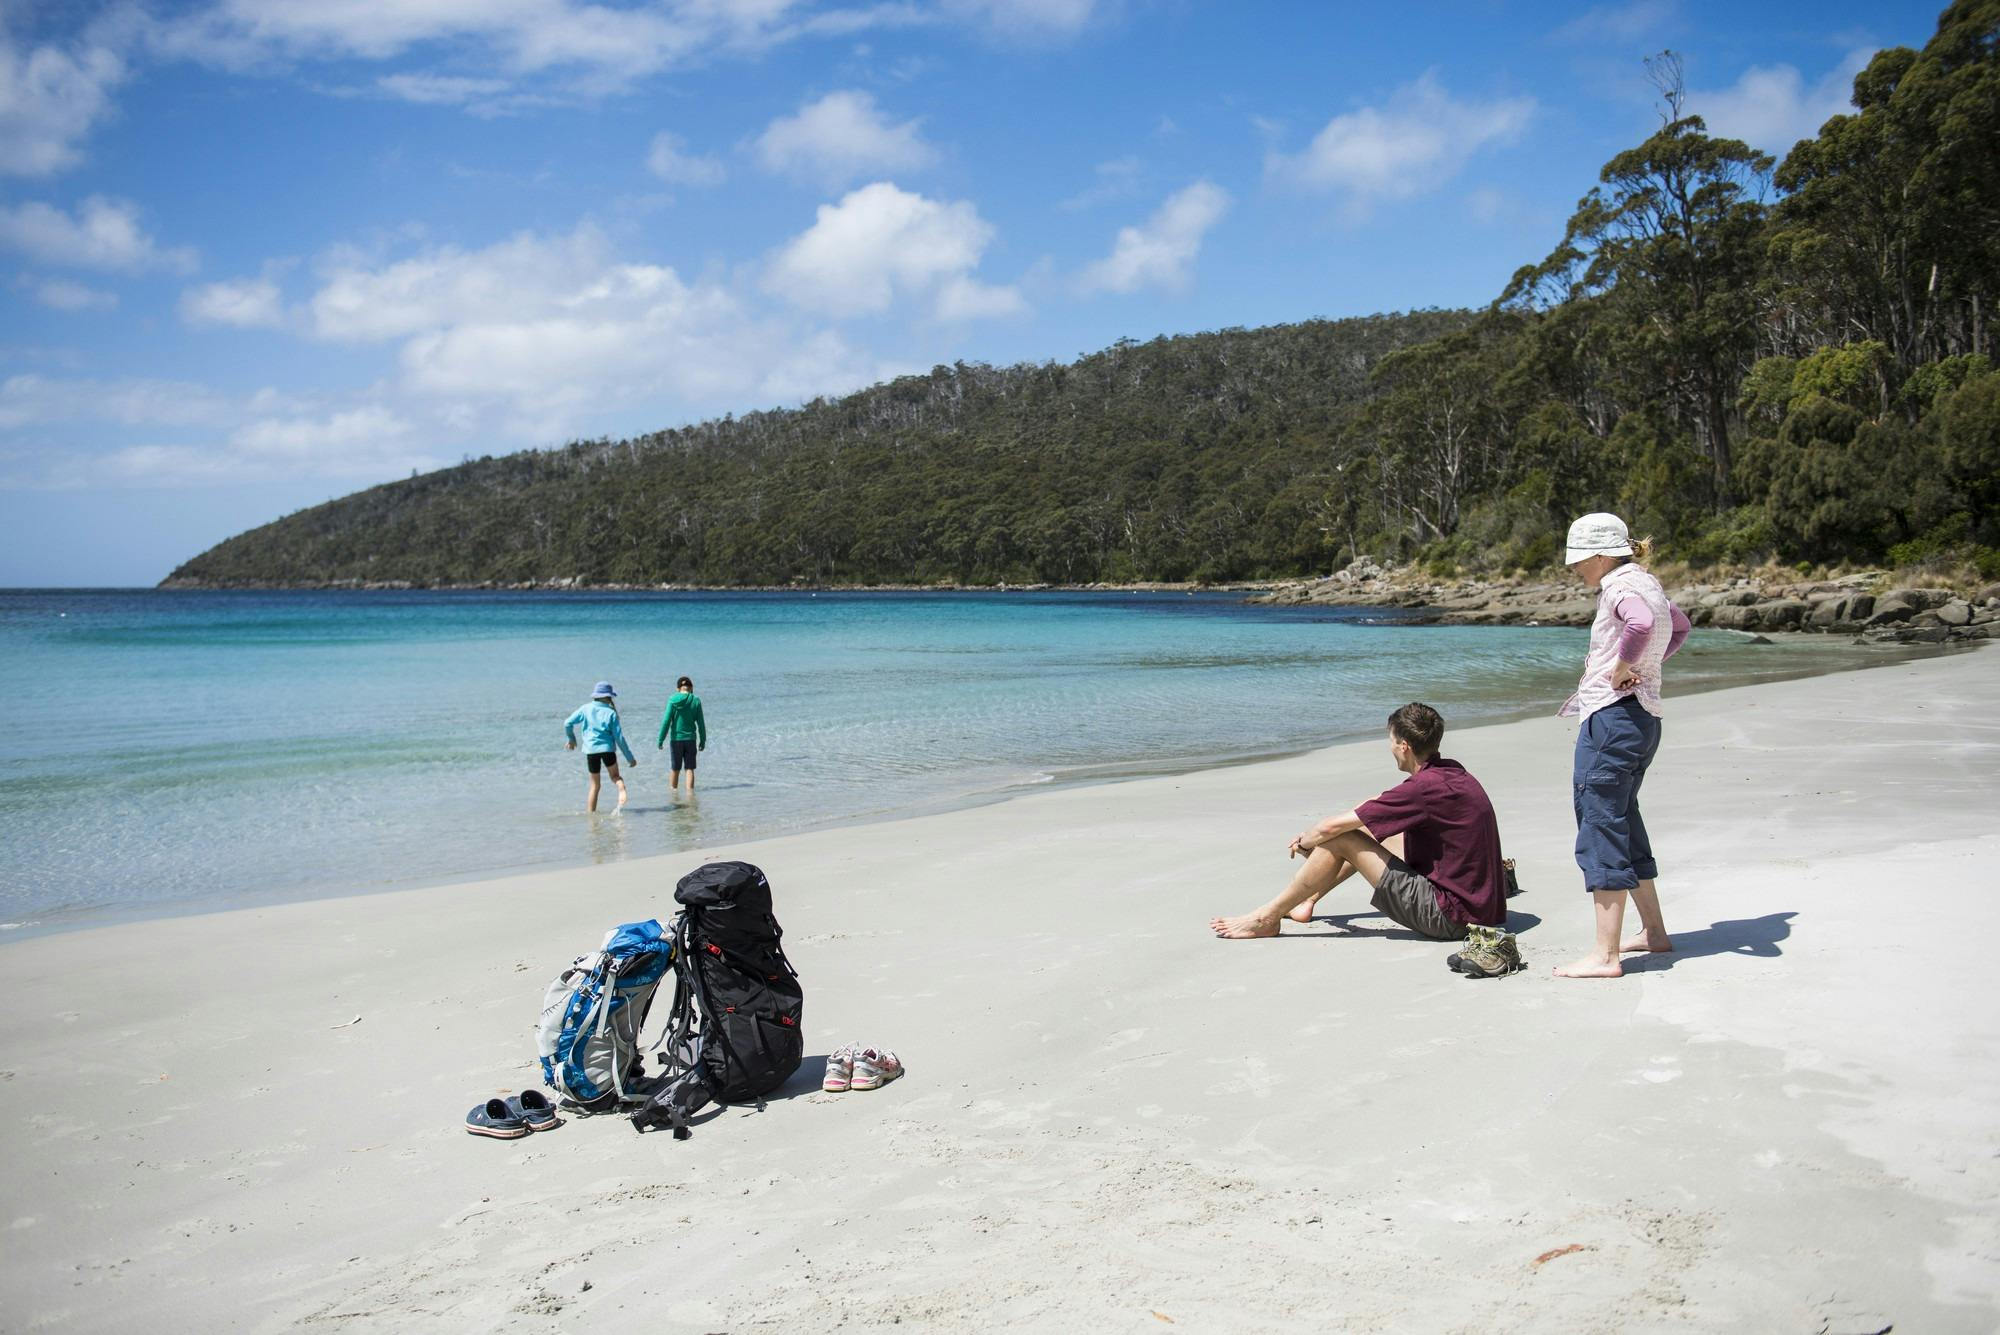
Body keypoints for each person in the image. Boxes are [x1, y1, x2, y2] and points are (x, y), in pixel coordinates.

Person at [1210, 703, 1509, 942]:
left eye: (1391, 741)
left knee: (1342, 837)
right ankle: (1306, 901)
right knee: (1363, 827)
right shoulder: (1450, 773)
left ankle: (1267, 917)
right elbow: (1374, 807)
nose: (1389, 747)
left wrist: (1306, 842)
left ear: (1404, 746)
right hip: (1482, 908)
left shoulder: (1421, 789)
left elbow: (1331, 829)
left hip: (1451, 919)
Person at [1551, 512, 1692, 980]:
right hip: (1642, 717)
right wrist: (1646, 667)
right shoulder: (1645, 580)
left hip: (1613, 717)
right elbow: (1680, 626)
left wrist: (1622, 667)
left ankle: (1605, 954)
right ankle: (1653, 932)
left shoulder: (1619, 587)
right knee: (1623, 819)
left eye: (1579, 560)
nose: (1575, 569)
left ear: (1600, 554)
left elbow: (1642, 623)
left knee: (1600, 823)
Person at [564, 681, 636, 812]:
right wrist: (629, 758)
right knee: (615, 777)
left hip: (591, 751)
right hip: (607, 751)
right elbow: (619, 738)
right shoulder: (611, 713)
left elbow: (567, 723)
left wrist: (571, 739)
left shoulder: (585, 708)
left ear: (595, 696)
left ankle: (591, 820)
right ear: (609, 697)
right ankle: (621, 787)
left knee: (594, 786)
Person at [656, 675, 707, 795]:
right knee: (689, 768)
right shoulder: (696, 700)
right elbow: (701, 723)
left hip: (676, 740)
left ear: (678, 689)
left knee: (675, 768)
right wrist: (703, 740)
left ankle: (673, 796)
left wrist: (661, 739)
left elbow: (666, 721)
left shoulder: (672, 700)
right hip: (691, 739)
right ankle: (690, 796)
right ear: (691, 688)